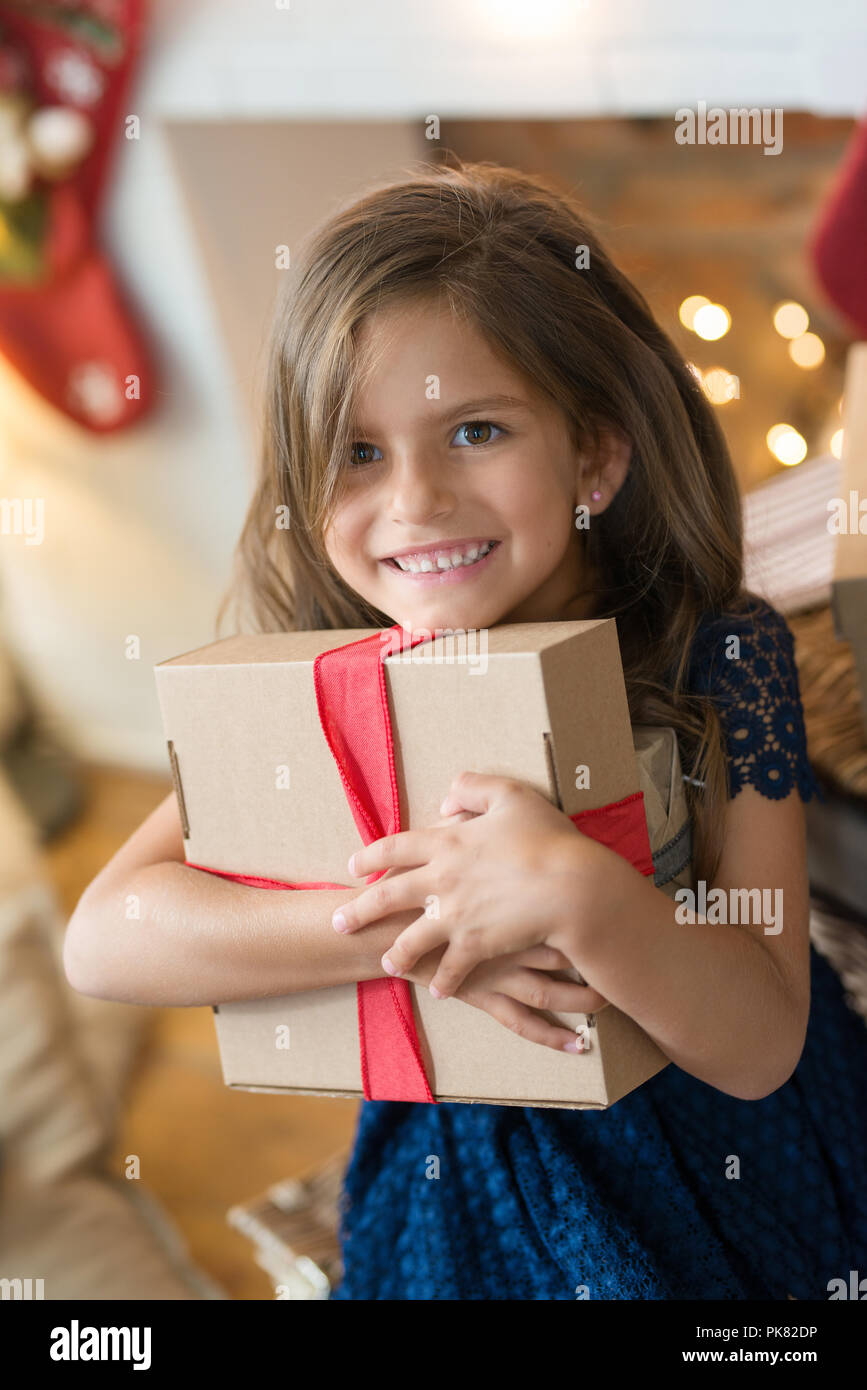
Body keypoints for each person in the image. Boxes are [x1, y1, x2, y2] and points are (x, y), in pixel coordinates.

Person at [65, 159, 867, 1301]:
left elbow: (761, 1043)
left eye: (476, 429)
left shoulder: (723, 656)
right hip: (461, 1177)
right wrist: (425, 929)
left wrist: (589, 904)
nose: (417, 502)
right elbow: (104, 937)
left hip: (716, 1173)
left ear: (594, 452)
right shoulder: (341, 685)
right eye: (358, 451)